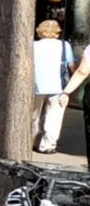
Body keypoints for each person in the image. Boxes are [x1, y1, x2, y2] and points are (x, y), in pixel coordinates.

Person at [32, 20, 75, 153]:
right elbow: (72, 66)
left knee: (34, 116)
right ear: (57, 31)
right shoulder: (64, 45)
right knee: (54, 117)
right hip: (58, 87)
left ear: (40, 30)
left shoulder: (33, 45)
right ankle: (48, 145)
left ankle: (31, 140)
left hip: (36, 85)